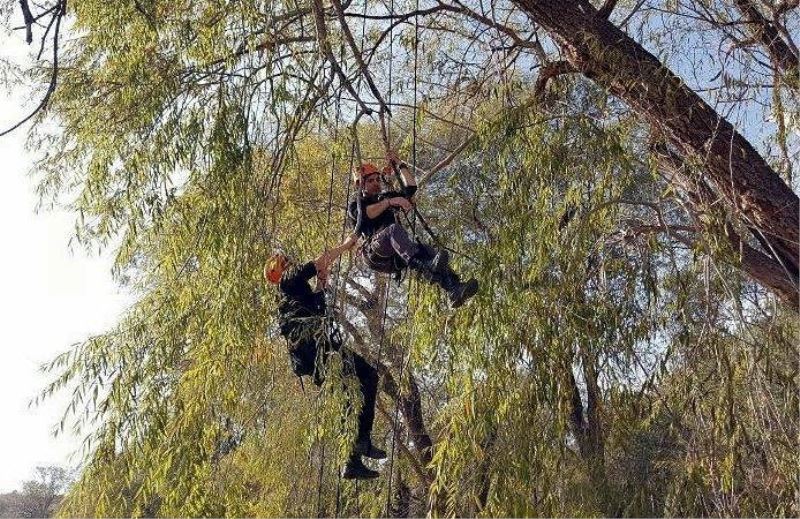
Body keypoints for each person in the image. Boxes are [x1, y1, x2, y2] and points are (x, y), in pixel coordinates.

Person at [265, 245, 386, 480]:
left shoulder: (292, 295)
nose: (291, 263)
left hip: (315, 358)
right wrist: (349, 242)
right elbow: (320, 261)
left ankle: (351, 460)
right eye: (287, 262)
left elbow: (318, 306)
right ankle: (362, 441)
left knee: (349, 396)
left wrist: (322, 282)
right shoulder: (288, 281)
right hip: (320, 351)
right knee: (369, 376)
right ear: (282, 269)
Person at [347, 151, 478, 308]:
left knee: (428, 251)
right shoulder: (356, 205)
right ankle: (422, 266)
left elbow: (410, 188)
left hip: (396, 257)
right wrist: (390, 202)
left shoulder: (385, 197)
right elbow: (367, 214)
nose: (376, 183)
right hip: (374, 253)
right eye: (370, 181)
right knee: (392, 230)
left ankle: (454, 289)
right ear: (360, 184)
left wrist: (399, 163)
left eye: (377, 180)